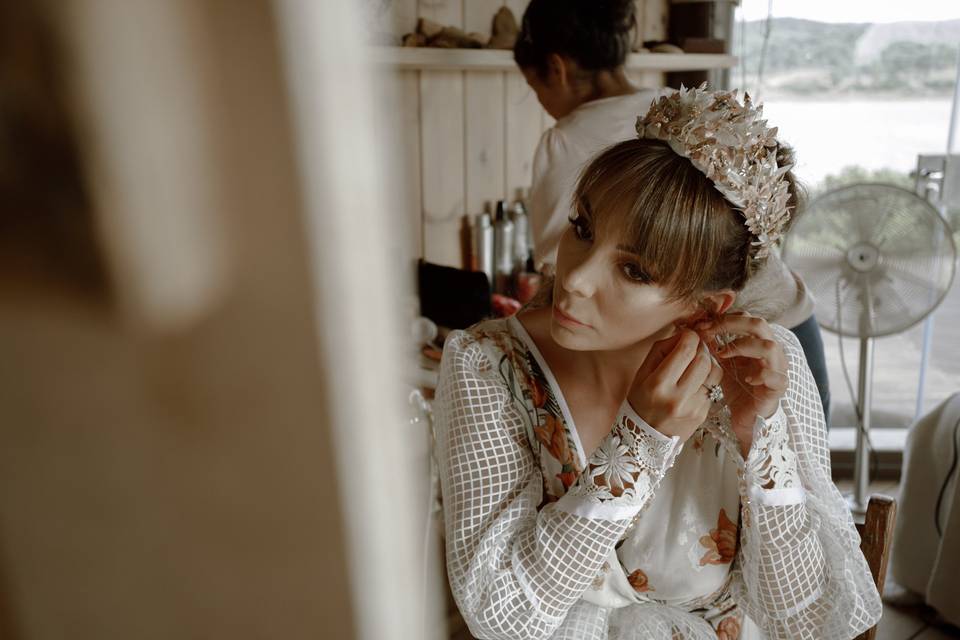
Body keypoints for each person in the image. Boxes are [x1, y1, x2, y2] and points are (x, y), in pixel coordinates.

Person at [434, 86, 880, 639]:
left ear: (705, 306)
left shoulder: (762, 370)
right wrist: (638, 440)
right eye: (583, 229)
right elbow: (501, 617)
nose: (574, 279)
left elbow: (804, 621)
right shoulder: (488, 367)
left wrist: (757, 438)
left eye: (635, 271)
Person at [513, 0, 832, 424]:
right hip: (792, 318)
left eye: (537, 91)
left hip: (734, 355)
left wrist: (519, 343)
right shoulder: (674, 105)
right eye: (583, 227)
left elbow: (560, 273)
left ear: (557, 69)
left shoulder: (567, 140)